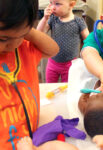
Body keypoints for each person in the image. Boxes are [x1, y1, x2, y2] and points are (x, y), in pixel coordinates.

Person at [0, 0, 79, 150]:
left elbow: (53, 50)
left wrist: (26, 30)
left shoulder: (22, 48)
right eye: (3, 39)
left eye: (20, 35)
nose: (11, 44)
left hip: (31, 137)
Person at [37, 0, 89, 83]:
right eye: (51, 3)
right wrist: (45, 18)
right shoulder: (53, 19)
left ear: (71, 4)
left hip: (70, 65)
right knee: (49, 86)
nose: (52, 7)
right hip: (52, 63)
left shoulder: (78, 22)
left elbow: (88, 41)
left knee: (67, 89)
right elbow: (39, 33)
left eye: (57, 4)